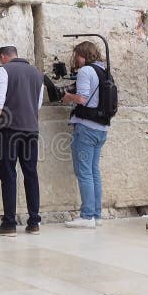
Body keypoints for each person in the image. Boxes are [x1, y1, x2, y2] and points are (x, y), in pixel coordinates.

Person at [0, 46, 44, 236]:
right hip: (31, 130)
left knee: (8, 174)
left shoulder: (5, 70)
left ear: (3, 57)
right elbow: (38, 104)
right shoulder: (37, 73)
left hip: (11, 130)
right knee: (31, 174)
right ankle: (34, 221)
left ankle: (9, 223)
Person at [63, 41, 109, 229]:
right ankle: (96, 215)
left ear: (82, 55)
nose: (75, 60)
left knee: (84, 172)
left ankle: (87, 215)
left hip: (86, 129)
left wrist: (68, 97)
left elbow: (82, 99)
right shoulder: (104, 71)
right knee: (94, 171)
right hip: (101, 128)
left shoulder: (85, 71)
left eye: (76, 56)